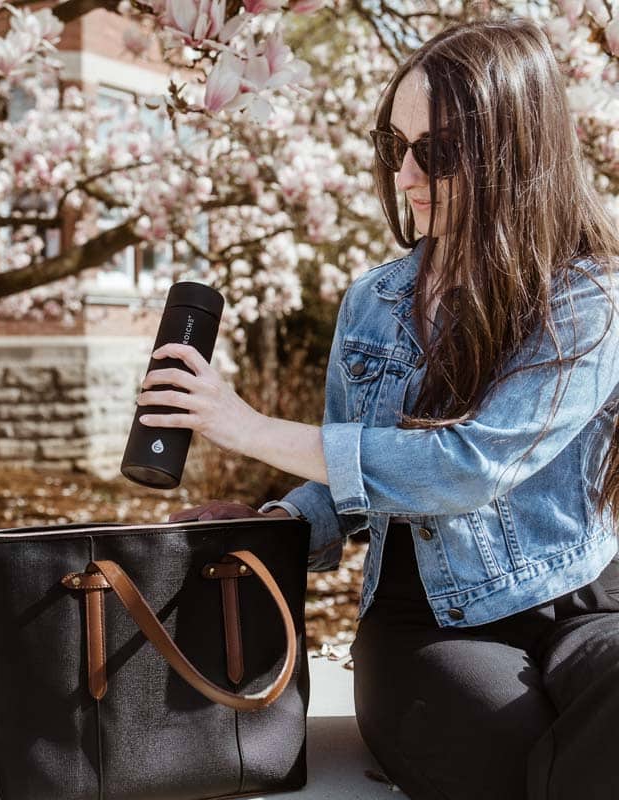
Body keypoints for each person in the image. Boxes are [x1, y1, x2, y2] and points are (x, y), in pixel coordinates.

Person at [134, 16, 619, 800]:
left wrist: (246, 425)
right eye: (396, 145)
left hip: (582, 601)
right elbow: (349, 487)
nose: (405, 174)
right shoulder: (376, 303)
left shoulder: (586, 298)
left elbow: (471, 467)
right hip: (425, 617)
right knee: (495, 748)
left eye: (438, 151)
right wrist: (281, 523)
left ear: (516, 153)